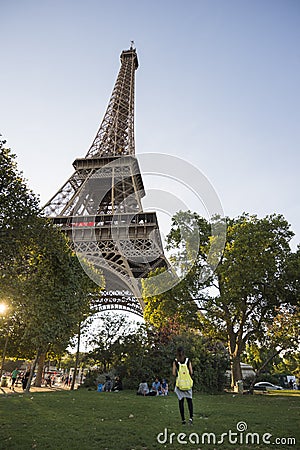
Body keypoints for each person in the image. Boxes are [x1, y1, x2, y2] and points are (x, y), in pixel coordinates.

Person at [172, 346, 193, 425]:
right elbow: (191, 371)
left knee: (181, 402)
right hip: (187, 384)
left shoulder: (175, 361)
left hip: (180, 384)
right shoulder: (188, 360)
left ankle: (183, 420)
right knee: (189, 401)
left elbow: (174, 373)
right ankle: (190, 418)